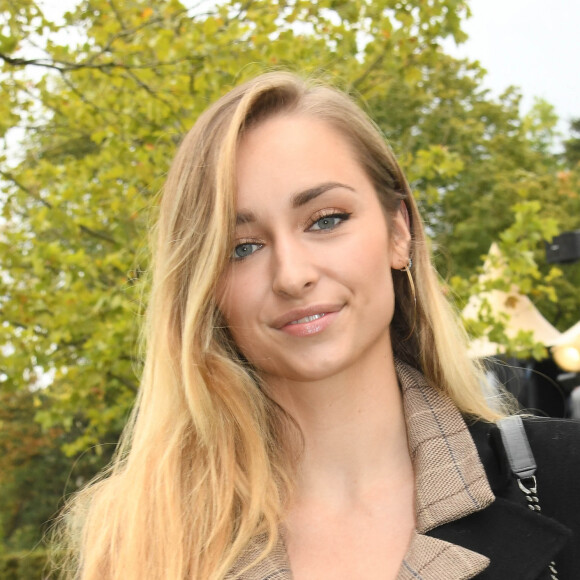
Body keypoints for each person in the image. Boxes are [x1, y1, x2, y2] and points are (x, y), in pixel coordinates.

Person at [57, 72, 580, 579]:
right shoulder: (137, 540)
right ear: (204, 289)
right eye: (242, 247)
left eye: (326, 220)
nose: (292, 274)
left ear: (399, 230)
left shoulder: (563, 476)